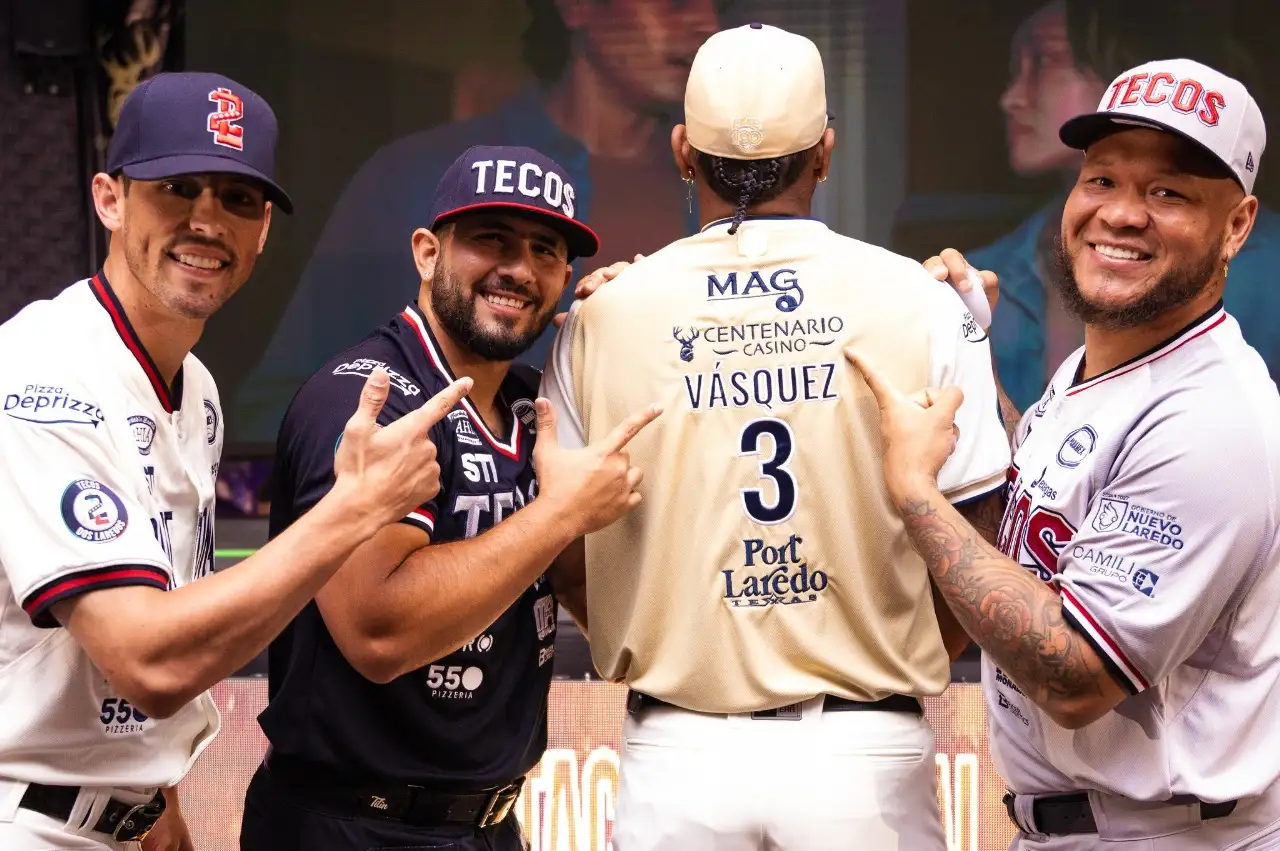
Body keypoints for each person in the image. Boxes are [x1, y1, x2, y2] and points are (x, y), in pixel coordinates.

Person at [539, 23, 1012, 850]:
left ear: (683, 153)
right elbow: (981, 526)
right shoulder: (923, 300)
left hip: (676, 749)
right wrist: (890, 647)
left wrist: (654, 622)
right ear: (824, 154)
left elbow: (565, 547)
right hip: (865, 751)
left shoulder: (602, 317)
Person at [0, 71, 468, 851]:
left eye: (238, 199)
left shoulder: (199, 389)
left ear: (263, 232)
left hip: (112, 817)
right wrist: (351, 510)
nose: (208, 221)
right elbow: (145, 659)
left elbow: (173, 612)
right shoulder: (41, 371)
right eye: (177, 188)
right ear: (110, 199)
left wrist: (156, 801)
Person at [854, 57, 1280, 848]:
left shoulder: (1209, 415)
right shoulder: (1105, 366)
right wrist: (968, 356)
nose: (1120, 214)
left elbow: (1076, 674)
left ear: (1236, 225)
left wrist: (916, 490)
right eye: (1102, 180)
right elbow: (1042, 499)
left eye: (1168, 193)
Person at [239, 144, 661, 851]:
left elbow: (597, 605)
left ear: (565, 278)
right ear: (428, 253)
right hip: (353, 826)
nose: (518, 268)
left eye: (545, 250)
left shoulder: (536, 404)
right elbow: (378, 633)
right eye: (491, 239)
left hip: (491, 825)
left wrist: (640, 326)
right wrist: (558, 514)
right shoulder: (366, 396)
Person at [230, 0, 723, 442]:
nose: (706, 22)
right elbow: (279, 412)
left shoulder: (716, 190)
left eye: (544, 249)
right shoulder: (412, 174)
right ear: (577, 6)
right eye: (677, 2)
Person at [966, 0, 1280, 411]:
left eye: (1044, 61)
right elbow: (1049, 447)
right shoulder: (993, 272)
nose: (1011, 98)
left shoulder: (1264, 282)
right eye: (1101, 181)